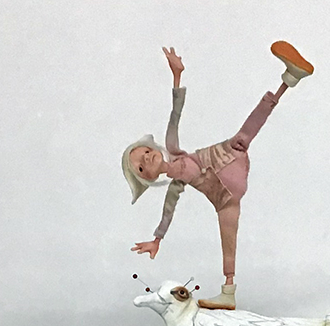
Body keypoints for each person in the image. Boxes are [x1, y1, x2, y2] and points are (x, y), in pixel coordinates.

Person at [124, 42, 314, 310]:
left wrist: (177, 75)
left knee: (245, 134)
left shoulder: (173, 149)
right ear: (148, 180)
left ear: (153, 147)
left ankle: (288, 80)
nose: (145, 158)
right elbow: (167, 213)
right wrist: (157, 239)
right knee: (228, 236)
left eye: (144, 152)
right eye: (141, 167)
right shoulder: (176, 185)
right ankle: (228, 291)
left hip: (226, 158)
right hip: (225, 196)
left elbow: (175, 114)